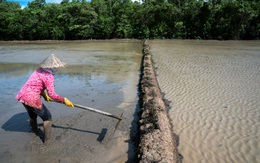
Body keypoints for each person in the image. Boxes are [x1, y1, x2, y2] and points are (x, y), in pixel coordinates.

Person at [16, 54, 74, 144]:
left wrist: (43, 94)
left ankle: (34, 130)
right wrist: (64, 100)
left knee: (32, 115)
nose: (56, 69)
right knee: (47, 117)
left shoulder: (38, 70)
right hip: (32, 98)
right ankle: (48, 141)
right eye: (56, 67)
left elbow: (35, 84)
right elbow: (52, 95)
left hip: (22, 95)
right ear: (53, 67)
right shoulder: (49, 76)